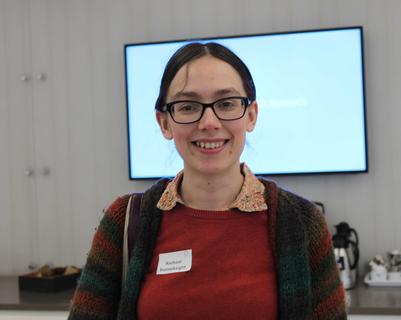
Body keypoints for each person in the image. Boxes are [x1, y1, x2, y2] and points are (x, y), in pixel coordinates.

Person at [69, 42, 346, 320]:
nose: (209, 122)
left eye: (226, 104)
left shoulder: (301, 221)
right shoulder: (125, 221)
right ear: (164, 123)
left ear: (251, 115)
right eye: (188, 106)